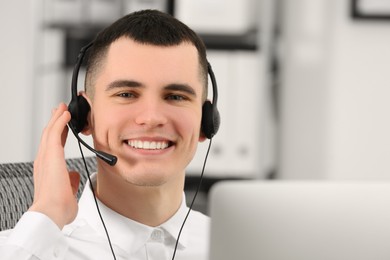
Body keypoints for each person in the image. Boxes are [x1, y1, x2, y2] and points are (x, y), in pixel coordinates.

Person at [0, 9, 216, 260]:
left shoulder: (244, 246)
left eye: (176, 97)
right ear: (85, 116)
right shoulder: (25, 246)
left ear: (206, 121)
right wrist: (47, 215)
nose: (152, 117)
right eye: (126, 94)